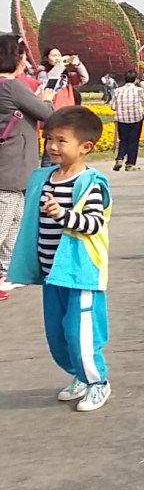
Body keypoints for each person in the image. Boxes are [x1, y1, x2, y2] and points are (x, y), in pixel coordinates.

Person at [7, 106, 113, 410]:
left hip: (80, 273)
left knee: (79, 332)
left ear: (85, 147)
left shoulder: (90, 183)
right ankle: (79, 374)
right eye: (49, 139)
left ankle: (98, 381)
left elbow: (93, 224)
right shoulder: (45, 178)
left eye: (61, 140)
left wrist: (64, 215)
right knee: (57, 333)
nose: (52, 146)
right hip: (52, 272)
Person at [0, 34, 57, 300]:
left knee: (14, 221)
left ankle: (7, 273)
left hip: (12, 167)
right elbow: (48, 114)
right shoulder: (12, 87)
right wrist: (46, 97)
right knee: (6, 221)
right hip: (11, 168)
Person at [108, 71, 144, 172]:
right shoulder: (139, 90)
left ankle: (119, 158)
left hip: (122, 118)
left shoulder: (118, 91)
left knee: (123, 140)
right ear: (135, 79)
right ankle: (130, 163)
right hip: (136, 118)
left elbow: (112, 106)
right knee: (133, 141)